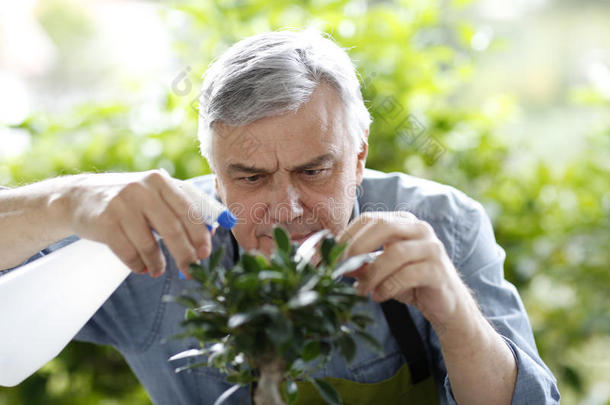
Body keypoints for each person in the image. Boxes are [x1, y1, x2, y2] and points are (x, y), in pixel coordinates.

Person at [0, 29, 559, 404]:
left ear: (359, 153)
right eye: (249, 178)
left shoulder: (443, 222)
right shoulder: (161, 243)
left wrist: (456, 315)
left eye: (315, 171)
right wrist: (64, 202)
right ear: (213, 174)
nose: (285, 209)